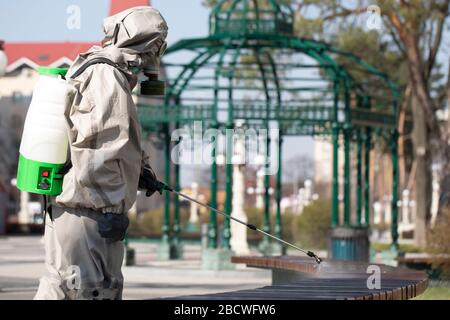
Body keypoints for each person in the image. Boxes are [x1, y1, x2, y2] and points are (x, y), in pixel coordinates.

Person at [34, 6, 168, 300]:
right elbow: (101, 149)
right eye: (157, 45)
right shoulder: (107, 76)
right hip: (89, 213)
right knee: (91, 291)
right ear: (146, 43)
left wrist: (141, 172)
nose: (156, 56)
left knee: (61, 288)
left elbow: (116, 138)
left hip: (76, 209)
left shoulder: (104, 71)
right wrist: (110, 208)